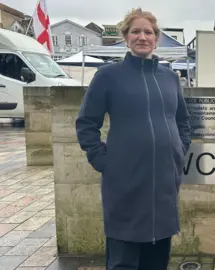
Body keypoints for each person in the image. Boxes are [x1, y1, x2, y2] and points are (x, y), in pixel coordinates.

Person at [75, 8, 191, 270]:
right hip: (124, 182)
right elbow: (86, 123)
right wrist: (105, 162)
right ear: (126, 37)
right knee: (123, 261)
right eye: (136, 31)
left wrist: (178, 151)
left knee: (158, 259)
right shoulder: (108, 77)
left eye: (148, 32)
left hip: (163, 182)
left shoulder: (170, 79)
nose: (142, 37)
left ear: (156, 38)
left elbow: (183, 121)